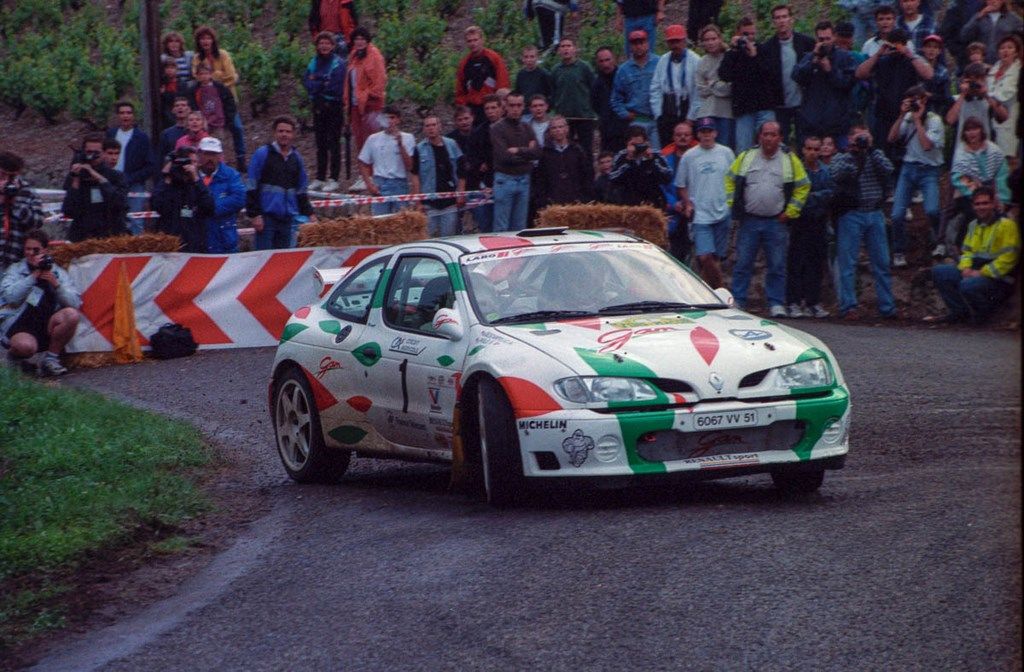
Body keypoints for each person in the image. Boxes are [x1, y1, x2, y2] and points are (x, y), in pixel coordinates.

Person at [724, 121, 810, 316]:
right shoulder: (746, 157)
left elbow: (803, 186)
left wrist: (791, 212)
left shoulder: (789, 160)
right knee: (743, 263)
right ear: (759, 136)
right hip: (750, 221)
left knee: (777, 265)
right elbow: (729, 179)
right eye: (765, 134)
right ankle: (738, 301)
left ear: (780, 138)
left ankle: (776, 303)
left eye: (773, 134)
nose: (769, 138)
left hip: (776, 222)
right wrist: (734, 205)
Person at [828, 124, 897, 319]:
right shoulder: (842, 157)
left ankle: (887, 307)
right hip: (852, 214)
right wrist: (856, 156)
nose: (862, 141)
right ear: (850, 139)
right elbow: (838, 174)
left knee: (882, 262)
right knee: (848, 263)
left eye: (865, 137)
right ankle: (848, 306)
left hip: (875, 213)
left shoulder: (876, 155)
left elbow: (888, 169)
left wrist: (871, 151)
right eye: (858, 137)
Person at [929, 186, 1019, 323]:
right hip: (975, 273)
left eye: (985, 203)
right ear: (973, 206)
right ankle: (959, 312)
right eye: (977, 204)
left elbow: (1009, 258)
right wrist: (965, 268)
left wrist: (982, 272)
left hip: (999, 278)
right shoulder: (973, 225)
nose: (981, 207)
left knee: (968, 285)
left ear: (994, 204)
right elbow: (967, 252)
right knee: (940, 272)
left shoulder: (1007, 225)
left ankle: (984, 316)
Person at [0, 230, 81, 376]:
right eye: (27, 249)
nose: (31, 253)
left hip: (48, 323)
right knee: (25, 346)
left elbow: (75, 303)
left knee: (72, 315)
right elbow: (10, 297)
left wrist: (57, 285)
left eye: (35, 250)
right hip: (20, 324)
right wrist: (33, 277)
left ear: (45, 250)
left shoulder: (58, 272)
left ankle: (51, 360)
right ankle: (15, 357)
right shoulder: (16, 269)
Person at [855, 27, 934, 161]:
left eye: (898, 44)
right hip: (883, 117)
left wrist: (909, 54)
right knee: (882, 156)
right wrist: (879, 54)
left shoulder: (912, 61)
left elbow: (928, 75)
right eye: (893, 43)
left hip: (906, 116)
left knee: (903, 157)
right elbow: (860, 74)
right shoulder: (882, 60)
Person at [888, 84, 944, 268]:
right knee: (897, 214)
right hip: (908, 167)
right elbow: (891, 138)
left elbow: (927, 145)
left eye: (917, 100)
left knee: (932, 210)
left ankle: (939, 241)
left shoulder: (934, 120)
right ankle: (898, 252)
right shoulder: (907, 118)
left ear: (925, 100)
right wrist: (900, 115)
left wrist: (919, 121)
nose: (914, 104)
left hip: (929, 169)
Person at [675, 117, 734, 287]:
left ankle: (706, 292)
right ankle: (720, 290)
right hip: (700, 215)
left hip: (722, 211)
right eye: (703, 132)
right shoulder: (689, 156)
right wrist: (688, 203)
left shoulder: (727, 153)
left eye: (709, 131)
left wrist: (730, 204)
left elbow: (734, 179)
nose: (706, 135)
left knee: (716, 259)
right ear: (698, 134)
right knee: (704, 256)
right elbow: (681, 185)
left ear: (715, 133)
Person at [246, 116, 315, 249]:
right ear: (274, 133)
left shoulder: (296, 159)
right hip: (266, 219)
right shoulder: (262, 154)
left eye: (288, 132)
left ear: (293, 134)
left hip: (287, 219)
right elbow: (251, 185)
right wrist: (255, 215)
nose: (284, 134)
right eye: (281, 131)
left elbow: (301, 191)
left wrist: (310, 214)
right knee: (263, 260)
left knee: (282, 261)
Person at [785, 136, 834, 318]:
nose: (812, 153)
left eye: (816, 149)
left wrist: (811, 197)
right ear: (803, 150)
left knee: (816, 262)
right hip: (800, 221)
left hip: (818, 221)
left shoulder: (825, 172)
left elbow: (830, 193)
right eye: (809, 149)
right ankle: (794, 302)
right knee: (797, 262)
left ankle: (813, 301)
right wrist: (812, 198)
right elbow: (795, 195)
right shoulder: (796, 171)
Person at [792, 21, 858, 148]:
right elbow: (796, 76)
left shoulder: (844, 58)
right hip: (813, 122)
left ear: (833, 37)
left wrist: (830, 70)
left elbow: (849, 83)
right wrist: (813, 61)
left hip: (837, 124)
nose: (825, 42)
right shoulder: (809, 57)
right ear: (816, 39)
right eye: (821, 39)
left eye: (827, 38)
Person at [949, 118, 1011, 248]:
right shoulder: (961, 152)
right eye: (968, 130)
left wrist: (1002, 198)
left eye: (975, 129)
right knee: (973, 213)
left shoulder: (994, 150)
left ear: (981, 131)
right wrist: (977, 192)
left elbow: (1002, 174)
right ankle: (962, 245)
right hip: (968, 193)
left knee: (1001, 215)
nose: (972, 133)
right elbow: (958, 177)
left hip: (993, 190)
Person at [192, 26, 246, 170]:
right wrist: (219, 75)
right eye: (202, 38)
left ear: (213, 40)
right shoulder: (197, 58)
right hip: (206, 102)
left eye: (208, 38)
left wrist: (215, 79)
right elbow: (196, 76)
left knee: (237, 128)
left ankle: (241, 159)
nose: (205, 41)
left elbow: (232, 76)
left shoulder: (223, 55)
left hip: (226, 99)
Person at [719, 18, 777, 151]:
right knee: (744, 150)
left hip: (764, 107)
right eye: (745, 34)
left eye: (752, 34)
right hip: (744, 109)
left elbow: (770, 75)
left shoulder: (763, 49)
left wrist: (754, 56)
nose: (749, 37)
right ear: (737, 33)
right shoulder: (733, 53)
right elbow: (723, 75)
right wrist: (732, 50)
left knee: (770, 148)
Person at [762, 5, 816, 145]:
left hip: (804, 103)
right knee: (781, 145)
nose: (782, 21)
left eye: (785, 17)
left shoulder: (806, 43)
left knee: (805, 143)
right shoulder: (767, 48)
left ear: (791, 19)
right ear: (773, 22)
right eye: (778, 18)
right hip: (780, 105)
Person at [61, 133, 128, 242]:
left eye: (96, 153)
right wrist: (76, 179)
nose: (92, 156)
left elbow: (120, 203)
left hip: (110, 234)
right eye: (89, 152)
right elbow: (68, 210)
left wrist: (99, 178)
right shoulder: (76, 176)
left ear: (103, 154)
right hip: (83, 235)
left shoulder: (115, 176)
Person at [490, 92, 542, 231]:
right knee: (502, 227)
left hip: (524, 179)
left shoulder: (527, 127)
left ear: (523, 107)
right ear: (505, 106)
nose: (515, 109)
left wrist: (518, 150)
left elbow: (537, 153)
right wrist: (527, 153)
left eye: (519, 105)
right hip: (505, 179)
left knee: (520, 228)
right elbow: (504, 157)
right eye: (512, 105)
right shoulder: (497, 128)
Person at [409, 115, 467, 237]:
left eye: (433, 125)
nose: (431, 128)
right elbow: (415, 176)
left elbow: (462, 171)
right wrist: (418, 202)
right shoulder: (419, 149)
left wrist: (461, 193)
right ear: (424, 129)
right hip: (429, 203)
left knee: (449, 237)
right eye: (427, 126)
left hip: (450, 202)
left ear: (440, 127)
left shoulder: (452, 145)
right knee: (425, 238)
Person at [303, 31, 346, 192]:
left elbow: (334, 85)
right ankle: (320, 177)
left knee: (333, 142)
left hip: (333, 107)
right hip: (318, 106)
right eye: (321, 43)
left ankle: (334, 178)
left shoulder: (339, 63)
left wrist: (317, 81)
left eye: (327, 43)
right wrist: (320, 81)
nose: (324, 46)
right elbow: (307, 81)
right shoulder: (313, 62)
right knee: (320, 143)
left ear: (333, 45)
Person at [151, 146, 213, 253]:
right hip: (170, 243)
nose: (193, 166)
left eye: (195, 162)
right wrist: (167, 177)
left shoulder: (197, 185)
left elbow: (209, 207)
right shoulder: (169, 184)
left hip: (194, 243)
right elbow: (156, 205)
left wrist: (196, 180)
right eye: (189, 162)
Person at [357, 106, 416, 216]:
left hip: (399, 183)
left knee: (402, 220)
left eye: (392, 118)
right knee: (380, 221)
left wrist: (400, 145)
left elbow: (410, 166)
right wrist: (369, 184)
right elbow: (362, 162)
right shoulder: (373, 139)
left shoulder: (408, 138)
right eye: (386, 118)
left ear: (398, 120)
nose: (389, 121)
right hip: (380, 183)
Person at [105, 101, 155, 228]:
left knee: (135, 220)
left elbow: (150, 166)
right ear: (117, 116)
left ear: (133, 116)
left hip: (134, 185)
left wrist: (131, 178)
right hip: (112, 183)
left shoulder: (142, 138)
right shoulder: (111, 134)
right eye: (122, 113)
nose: (125, 116)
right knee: (112, 217)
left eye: (128, 113)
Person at [649, 24, 701, 147]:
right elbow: (655, 87)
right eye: (672, 42)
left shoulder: (695, 60)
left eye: (678, 41)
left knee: (689, 148)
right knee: (667, 148)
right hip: (667, 111)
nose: (675, 45)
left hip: (687, 109)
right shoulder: (663, 60)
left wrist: (691, 117)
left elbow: (698, 91)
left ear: (684, 41)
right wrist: (658, 114)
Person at [611, 29, 660, 150]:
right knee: (637, 155)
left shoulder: (659, 63)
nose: (638, 46)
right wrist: (625, 114)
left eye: (641, 42)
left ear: (647, 43)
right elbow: (615, 98)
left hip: (657, 120)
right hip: (637, 120)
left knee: (656, 155)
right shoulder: (623, 70)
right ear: (630, 46)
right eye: (634, 43)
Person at [196, 137, 247, 254]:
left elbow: (239, 199)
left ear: (220, 156)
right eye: (207, 153)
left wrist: (211, 207)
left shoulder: (231, 175)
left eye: (214, 154)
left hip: (225, 238)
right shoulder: (192, 176)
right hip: (199, 237)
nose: (210, 158)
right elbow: (185, 205)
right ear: (199, 154)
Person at [344, 27, 388, 157]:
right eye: (356, 39)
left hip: (371, 105)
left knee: (373, 139)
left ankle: (374, 173)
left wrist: (365, 95)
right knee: (360, 140)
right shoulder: (354, 55)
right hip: (355, 105)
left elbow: (379, 83)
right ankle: (364, 174)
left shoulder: (375, 56)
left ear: (367, 40)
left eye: (362, 39)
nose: (359, 42)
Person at [534, 115, 594, 209]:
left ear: (567, 128)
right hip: (553, 201)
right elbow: (540, 179)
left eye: (560, 127)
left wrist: (584, 198)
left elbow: (586, 175)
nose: (558, 130)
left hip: (576, 200)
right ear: (550, 131)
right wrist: (544, 200)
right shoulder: (545, 153)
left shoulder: (577, 150)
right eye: (554, 128)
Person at [549, 38, 597, 158]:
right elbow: (553, 92)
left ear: (575, 49)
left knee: (586, 151)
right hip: (565, 119)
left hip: (584, 117)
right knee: (566, 151)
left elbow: (594, 88)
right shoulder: (555, 70)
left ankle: (588, 176)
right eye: (563, 46)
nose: (566, 49)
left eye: (569, 46)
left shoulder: (584, 67)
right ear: (559, 50)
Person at [455, 26, 510, 126]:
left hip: (491, 107)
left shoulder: (494, 58)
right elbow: (460, 91)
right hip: (473, 109)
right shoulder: (464, 63)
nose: (473, 43)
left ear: (482, 40)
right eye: (469, 41)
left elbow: (503, 84)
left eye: (475, 40)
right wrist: (463, 109)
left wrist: (500, 108)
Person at [609, 125, 673, 208]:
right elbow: (613, 178)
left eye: (640, 144)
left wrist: (651, 160)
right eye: (634, 145)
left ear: (646, 142)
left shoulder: (656, 155)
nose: (637, 148)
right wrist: (628, 160)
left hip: (653, 202)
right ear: (627, 143)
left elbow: (668, 177)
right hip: (628, 203)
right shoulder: (621, 156)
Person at [0, 152, 44, 272]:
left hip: (15, 257)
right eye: (3, 174)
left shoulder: (27, 192)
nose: (6, 180)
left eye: (11, 176)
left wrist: (16, 203)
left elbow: (37, 223)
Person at [945, 61, 1009, 143]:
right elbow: (950, 120)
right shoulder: (957, 100)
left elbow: (1004, 117)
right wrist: (963, 94)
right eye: (972, 80)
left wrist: (986, 95)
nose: (975, 84)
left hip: (986, 147)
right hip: (962, 149)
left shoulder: (990, 99)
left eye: (979, 79)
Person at [466, 95, 504, 232]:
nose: (490, 111)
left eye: (493, 107)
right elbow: (471, 157)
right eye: (487, 108)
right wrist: (479, 164)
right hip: (485, 184)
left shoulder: (511, 128)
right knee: (486, 224)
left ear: (501, 108)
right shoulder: (478, 132)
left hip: (507, 181)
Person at [694, 24, 734, 149]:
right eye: (706, 40)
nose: (710, 43)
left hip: (726, 112)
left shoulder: (729, 56)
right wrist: (718, 84)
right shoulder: (702, 61)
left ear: (720, 39)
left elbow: (730, 88)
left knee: (724, 147)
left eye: (713, 39)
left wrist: (711, 83)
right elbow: (701, 89)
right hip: (707, 111)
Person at [987, 35, 1021, 159]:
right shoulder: (993, 70)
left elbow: (1005, 95)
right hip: (991, 118)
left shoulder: (1018, 72)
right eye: (1002, 48)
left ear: (1016, 52)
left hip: (1010, 119)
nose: (1005, 51)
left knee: (1008, 158)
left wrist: (987, 94)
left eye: (1010, 48)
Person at [958, 0, 1023, 64]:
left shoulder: (1012, 18)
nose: (993, 1)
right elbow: (964, 36)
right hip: (982, 63)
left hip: (1004, 63)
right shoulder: (980, 17)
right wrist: (978, 17)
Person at [186, 63, 236, 144]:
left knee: (218, 145)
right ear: (197, 76)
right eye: (201, 74)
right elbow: (192, 105)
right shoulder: (194, 90)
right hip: (202, 123)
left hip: (219, 121)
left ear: (211, 74)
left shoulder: (220, 87)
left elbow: (229, 101)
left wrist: (228, 118)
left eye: (206, 73)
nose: (204, 76)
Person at [591, 46, 628, 152]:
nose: (605, 64)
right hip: (607, 132)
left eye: (607, 60)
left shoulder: (624, 77)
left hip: (626, 129)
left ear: (614, 59)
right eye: (601, 61)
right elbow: (595, 105)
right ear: (597, 63)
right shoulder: (596, 84)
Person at [920, 34, 954, 116]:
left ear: (939, 51)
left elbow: (947, 97)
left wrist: (930, 95)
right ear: (923, 49)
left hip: (935, 111)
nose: (931, 50)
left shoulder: (943, 72)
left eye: (935, 47)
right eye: (928, 46)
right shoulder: (917, 67)